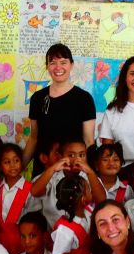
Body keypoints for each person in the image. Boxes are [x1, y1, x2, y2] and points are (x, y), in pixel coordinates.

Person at [24, 44, 97, 173]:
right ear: (47, 67)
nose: (58, 67)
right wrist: (19, 168)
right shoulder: (37, 98)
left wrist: (92, 173)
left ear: (71, 65)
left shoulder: (84, 99)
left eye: (63, 62)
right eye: (52, 63)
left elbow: (89, 141)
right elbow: (34, 138)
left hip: (72, 169)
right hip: (44, 169)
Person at [32, 138, 104, 229]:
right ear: (60, 156)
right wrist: (53, 168)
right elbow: (34, 192)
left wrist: (90, 172)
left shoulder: (90, 176)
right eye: (71, 155)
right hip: (56, 236)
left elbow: (102, 201)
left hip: (84, 235)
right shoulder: (50, 176)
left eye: (82, 155)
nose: (77, 159)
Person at [0, 143, 40, 254]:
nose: (12, 166)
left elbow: (34, 222)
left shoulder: (31, 189)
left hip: (22, 247)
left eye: (16, 160)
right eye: (7, 162)